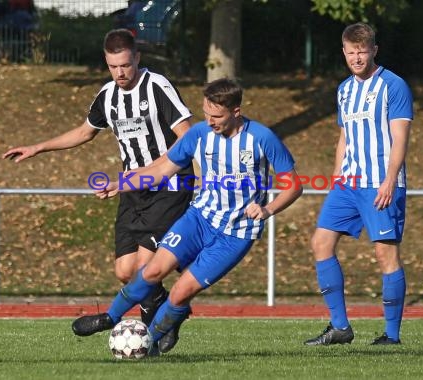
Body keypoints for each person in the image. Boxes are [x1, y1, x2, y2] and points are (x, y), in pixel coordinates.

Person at [71, 78, 303, 353]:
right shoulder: (199, 134)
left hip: (236, 234)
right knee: (154, 269)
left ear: (236, 112)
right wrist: (120, 183)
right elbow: (160, 171)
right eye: (206, 113)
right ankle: (110, 317)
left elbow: (294, 185)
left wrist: (267, 210)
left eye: (217, 116)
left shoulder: (262, 138)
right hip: (200, 218)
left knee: (182, 291)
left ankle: (151, 345)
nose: (210, 121)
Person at [2, 29, 194, 352]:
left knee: (144, 268)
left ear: (137, 58)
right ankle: (163, 305)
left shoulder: (157, 86)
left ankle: (163, 323)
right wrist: (38, 147)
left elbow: (187, 135)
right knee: (124, 272)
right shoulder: (108, 95)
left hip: (168, 187)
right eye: (113, 67)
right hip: (131, 191)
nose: (120, 73)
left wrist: (157, 171)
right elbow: (84, 131)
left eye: (125, 65)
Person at [304, 22, 413, 346]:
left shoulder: (393, 85)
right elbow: (344, 138)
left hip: (380, 182)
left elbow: (400, 137)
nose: (356, 58)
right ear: (344, 52)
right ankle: (340, 327)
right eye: (351, 52)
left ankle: (391, 336)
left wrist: (390, 181)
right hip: (348, 184)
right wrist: (336, 178)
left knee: (385, 256)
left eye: (362, 52)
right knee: (321, 243)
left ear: (374, 51)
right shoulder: (345, 89)